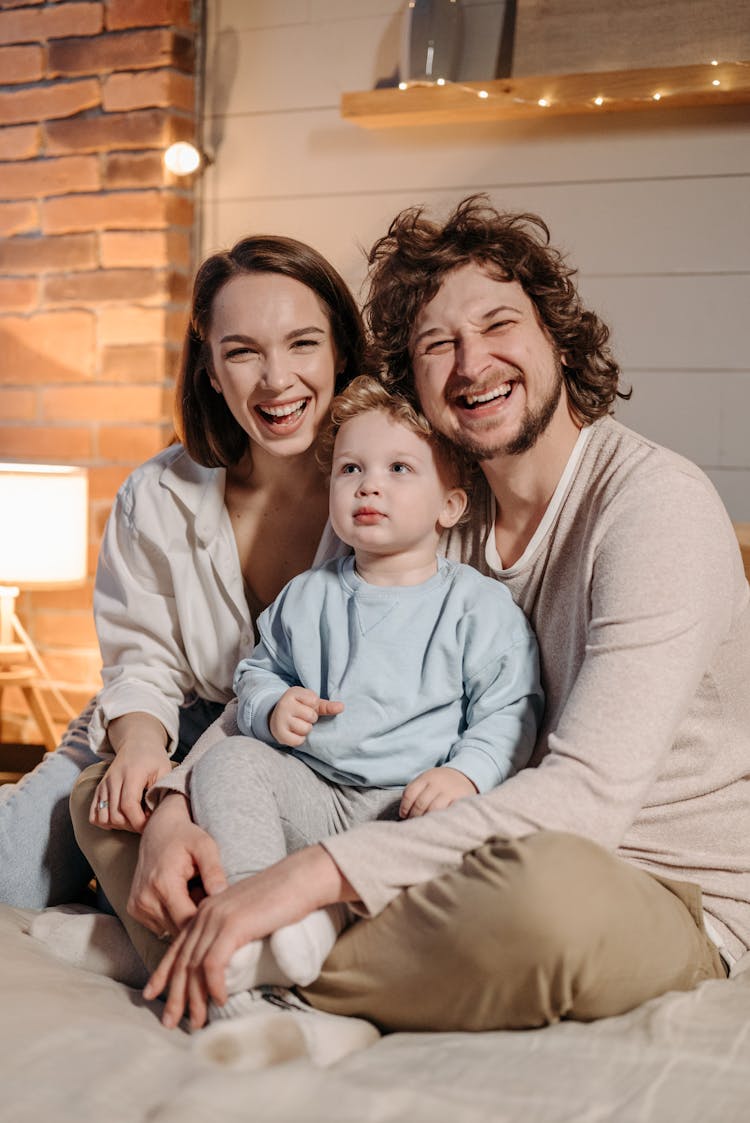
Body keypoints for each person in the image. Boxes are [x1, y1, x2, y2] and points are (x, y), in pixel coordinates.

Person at [84, 197, 750, 1040]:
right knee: (110, 806)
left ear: (557, 336)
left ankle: (226, 945)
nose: (472, 363)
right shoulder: (435, 506)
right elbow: (292, 670)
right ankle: (247, 931)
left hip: (646, 878)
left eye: (499, 324)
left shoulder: (653, 507)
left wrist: (311, 875)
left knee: (543, 902)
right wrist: (176, 808)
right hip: (458, 838)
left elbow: (586, 800)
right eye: (438, 344)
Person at [147, 376, 541, 1016]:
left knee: (472, 845)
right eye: (351, 468)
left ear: (450, 505)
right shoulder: (309, 595)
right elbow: (257, 671)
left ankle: (321, 924)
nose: (370, 484)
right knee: (228, 761)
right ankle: (253, 909)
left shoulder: (475, 606)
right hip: (317, 794)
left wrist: (464, 775)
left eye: (399, 469)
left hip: (407, 809)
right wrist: (272, 707)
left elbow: (510, 710)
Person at [1, 232, 365, 916]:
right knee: (14, 881)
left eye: (302, 343)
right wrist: (141, 747)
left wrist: (183, 796)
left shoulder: (386, 487)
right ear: (209, 370)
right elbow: (143, 660)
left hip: (286, 742)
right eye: (242, 352)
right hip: (162, 712)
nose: (277, 379)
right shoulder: (157, 493)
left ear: (341, 349)